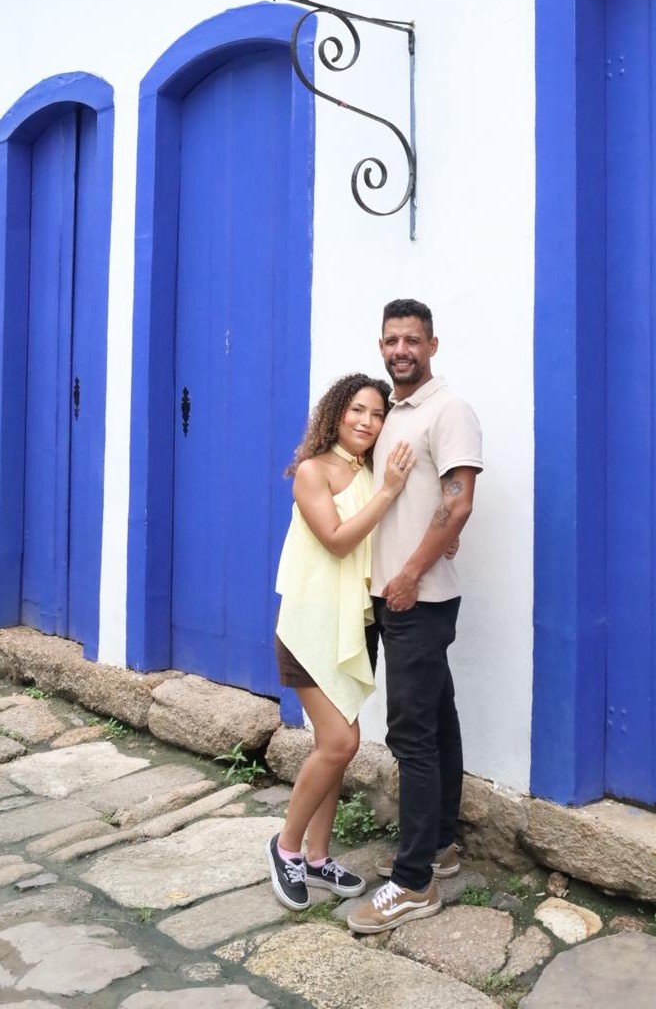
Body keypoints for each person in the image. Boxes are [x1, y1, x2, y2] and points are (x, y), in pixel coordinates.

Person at [348, 299, 483, 935]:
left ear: (433, 344)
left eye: (412, 339)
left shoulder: (448, 409)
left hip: (418, 598)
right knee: (438, 720)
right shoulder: (389, 411)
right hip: (391, 594)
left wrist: (409, 573)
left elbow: (458, 502)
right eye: (391, 340)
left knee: (411, 737)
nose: (401, 349)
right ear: (381, 346)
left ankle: (412, 882)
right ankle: (440, 846)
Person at [266, 373, 416, 912]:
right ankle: (286, 847)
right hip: (309, 628)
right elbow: (335, 541)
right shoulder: (314, 471)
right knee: (340, 743)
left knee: (330, 748)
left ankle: (316, 856)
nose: (367, 422)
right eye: (357, 410)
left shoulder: (371, 471)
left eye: (377, 414)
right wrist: (389, 492)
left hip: (352, 625)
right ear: (336, 412)